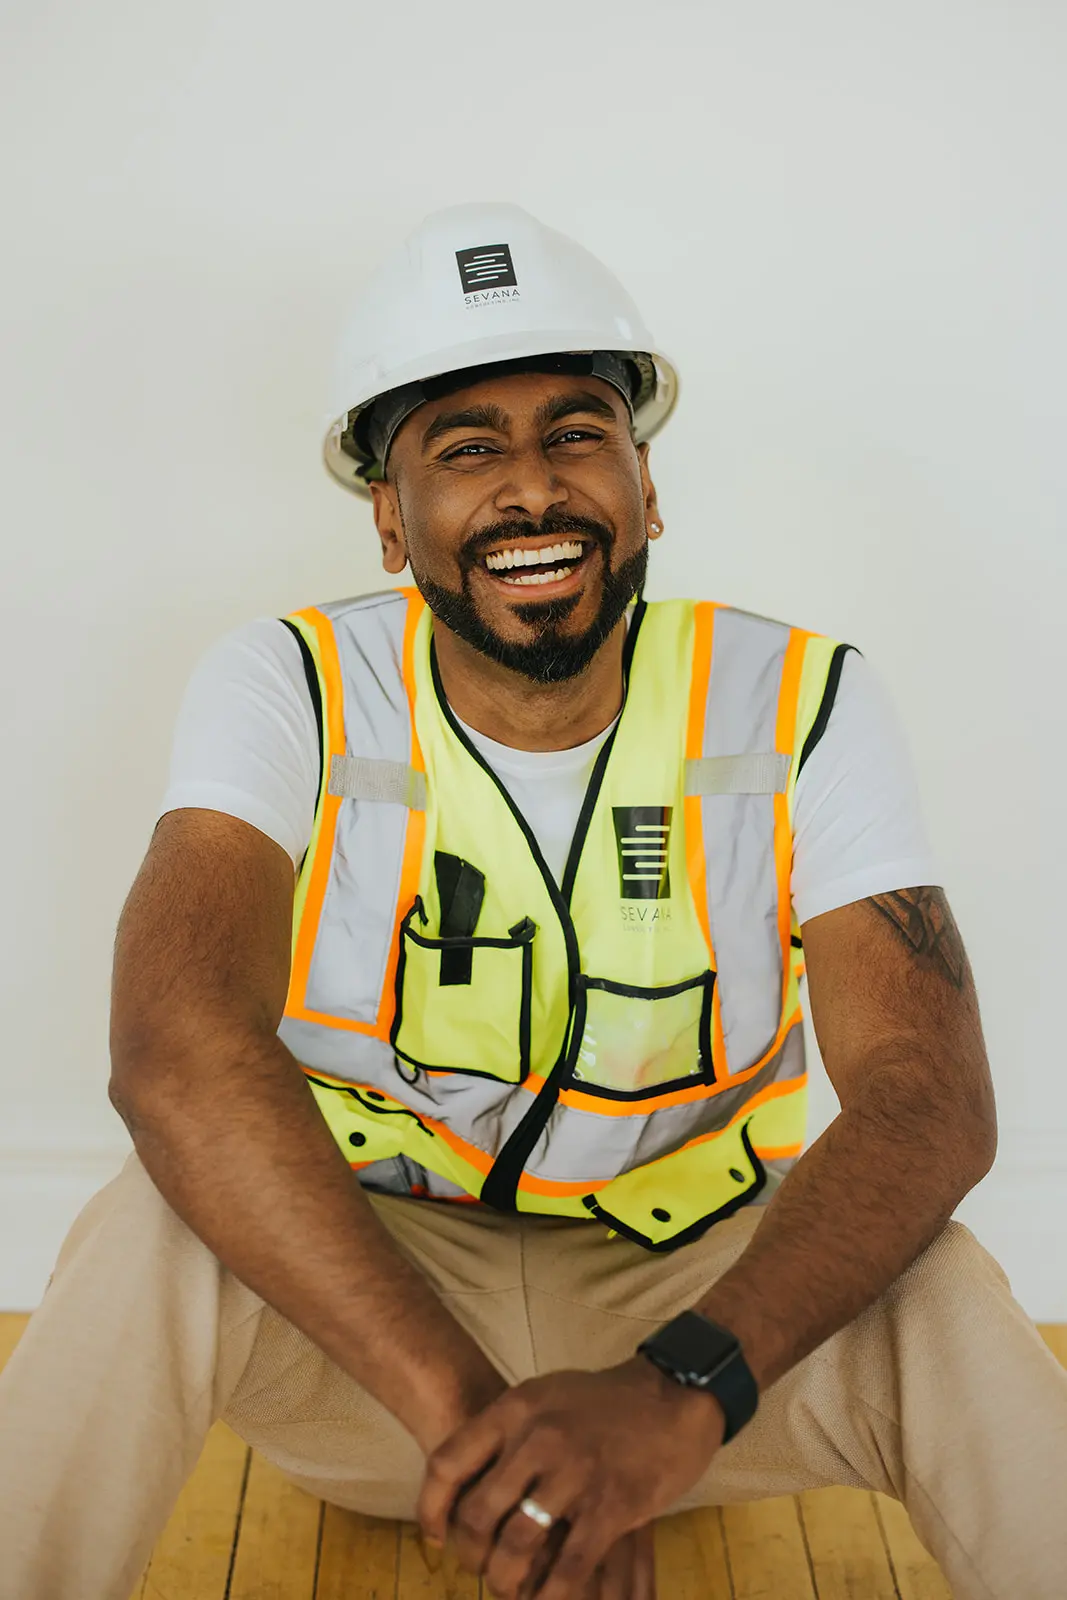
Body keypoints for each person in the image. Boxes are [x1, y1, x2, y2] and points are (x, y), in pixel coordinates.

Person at [0, 202, 1064, 1600]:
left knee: (941, 1289)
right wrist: (490, 1441)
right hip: (376, 1322)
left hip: (703, 1317)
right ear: (390, 517)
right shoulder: (288, 684)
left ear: (644, 485)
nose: (531, 489)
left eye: (575, 433)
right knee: (150, 1230)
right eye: (464, 448)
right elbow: (177, 1048)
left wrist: (671, 1398)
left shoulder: (798, 697)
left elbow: (927, 1091)